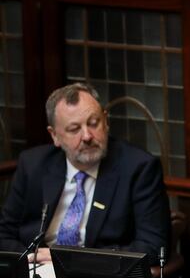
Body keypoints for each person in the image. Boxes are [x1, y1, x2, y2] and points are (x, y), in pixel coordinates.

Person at [0, 82, 170, 265]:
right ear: (54, 135)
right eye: (74, 129)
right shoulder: (33, 164)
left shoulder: (139, 168)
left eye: (94, 123)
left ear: (106, 121)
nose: (87, 136)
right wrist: (30, 260)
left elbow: (153, 247)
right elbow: (3, 234)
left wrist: (70, 259)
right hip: (38, 274)